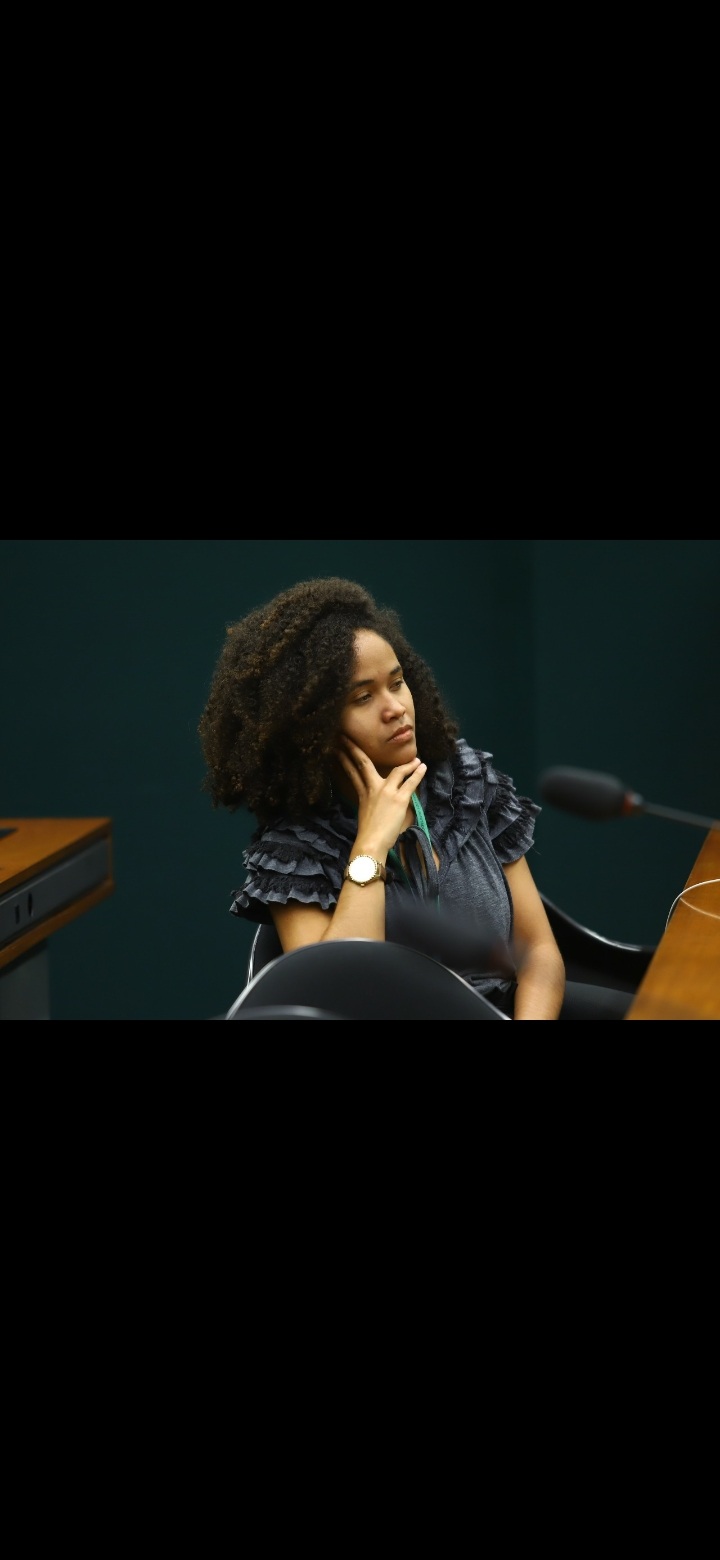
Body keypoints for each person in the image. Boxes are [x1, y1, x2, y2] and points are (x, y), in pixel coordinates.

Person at [198, 577, 632, 1019]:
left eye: (397, 682)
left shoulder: (465, 783)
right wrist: (370, 846)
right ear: (311, 725)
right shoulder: (294, 851)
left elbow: (537, 951)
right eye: (363, 697)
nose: (396, 708)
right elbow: (336, 994)